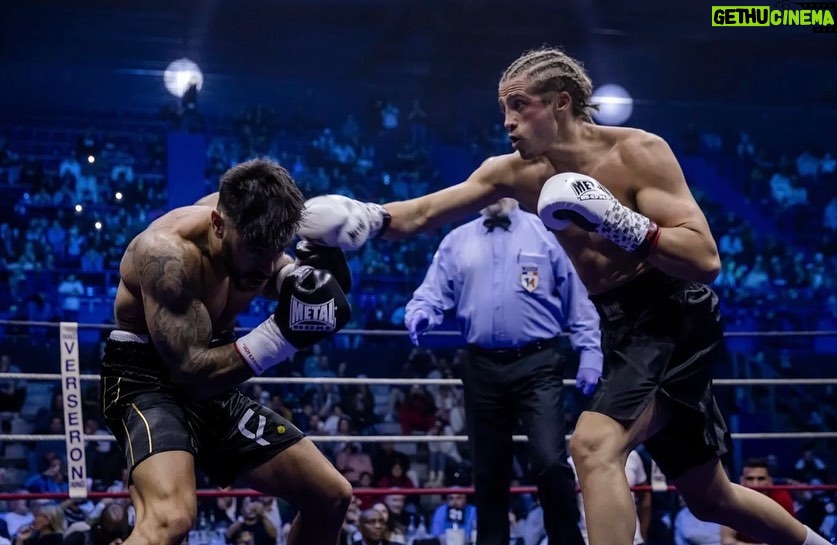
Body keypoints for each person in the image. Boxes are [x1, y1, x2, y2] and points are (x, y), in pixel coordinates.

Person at [297, 46, 828, 545]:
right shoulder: (514, 174)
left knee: (593, 447)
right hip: (619, 326)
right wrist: (365, 217)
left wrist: (621, 222)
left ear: (560, 103)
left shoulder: (639, 153)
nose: (507, 121)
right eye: (504, 108)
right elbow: (425, 212)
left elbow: (705, 260)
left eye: (519, 106)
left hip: (672, 314)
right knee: (711, 498)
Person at [100, 158, 355, 545]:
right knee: (171, 520)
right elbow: (191, 374)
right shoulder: (167, 255)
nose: (266, 265)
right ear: (219, 225)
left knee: (332, 496)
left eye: (276, 251)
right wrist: (283, 335)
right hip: (147, 381)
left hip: (214, 380)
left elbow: (271, 267)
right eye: (256, 251)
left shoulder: (255, 239)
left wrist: (301, 281)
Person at [404, 197, 601, 545]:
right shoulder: (457, 240)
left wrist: (590, 353)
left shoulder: (546, 234)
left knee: (549, 462)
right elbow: (431, 294)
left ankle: (567, 541)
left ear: (512, 189)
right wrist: (421, 314)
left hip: (537, 362)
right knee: (488, 470)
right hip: (480, 365)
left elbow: (578, 299)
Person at [568, 449, 650, 544]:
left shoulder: (631, 456)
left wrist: (643, 534)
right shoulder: (573, 462)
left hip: (634, 540)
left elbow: (644, 496)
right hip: (588, 540)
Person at [721, 458, 796, 544]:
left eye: (761, 479)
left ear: (770, 481)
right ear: (742, 481)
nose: (755, 484)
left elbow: (790, 539)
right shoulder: (732, 498)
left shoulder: (781, 497)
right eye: (750, 479)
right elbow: (727, 541)